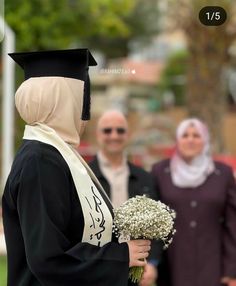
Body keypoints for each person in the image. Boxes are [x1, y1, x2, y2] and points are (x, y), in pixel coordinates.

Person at [2, 49, 151, 286]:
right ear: (60, 100)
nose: (84, 113)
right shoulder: (40, 161)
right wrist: (122, 256)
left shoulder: (56, 154)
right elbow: (48, 258)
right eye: (80, 99)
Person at [151, 118, 236, 286]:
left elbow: (233, 224)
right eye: (185, 135)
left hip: (212, 264)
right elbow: (152, 221)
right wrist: (151, 262)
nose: (190, 140)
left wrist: (232, 270)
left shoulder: (223, 174)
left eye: (196, 135)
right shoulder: (160, 171)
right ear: (177, 140)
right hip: (171, 264)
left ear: (205, 140)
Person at [89, 110, 160, 286]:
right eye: (107, 130)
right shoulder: (84, 176)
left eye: (120, 130)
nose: (114, 135)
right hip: (95, 269)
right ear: (98, 135)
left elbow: (157, 226)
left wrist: (152, 263)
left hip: (135, 273)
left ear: (128, 135)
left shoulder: (145, 178)